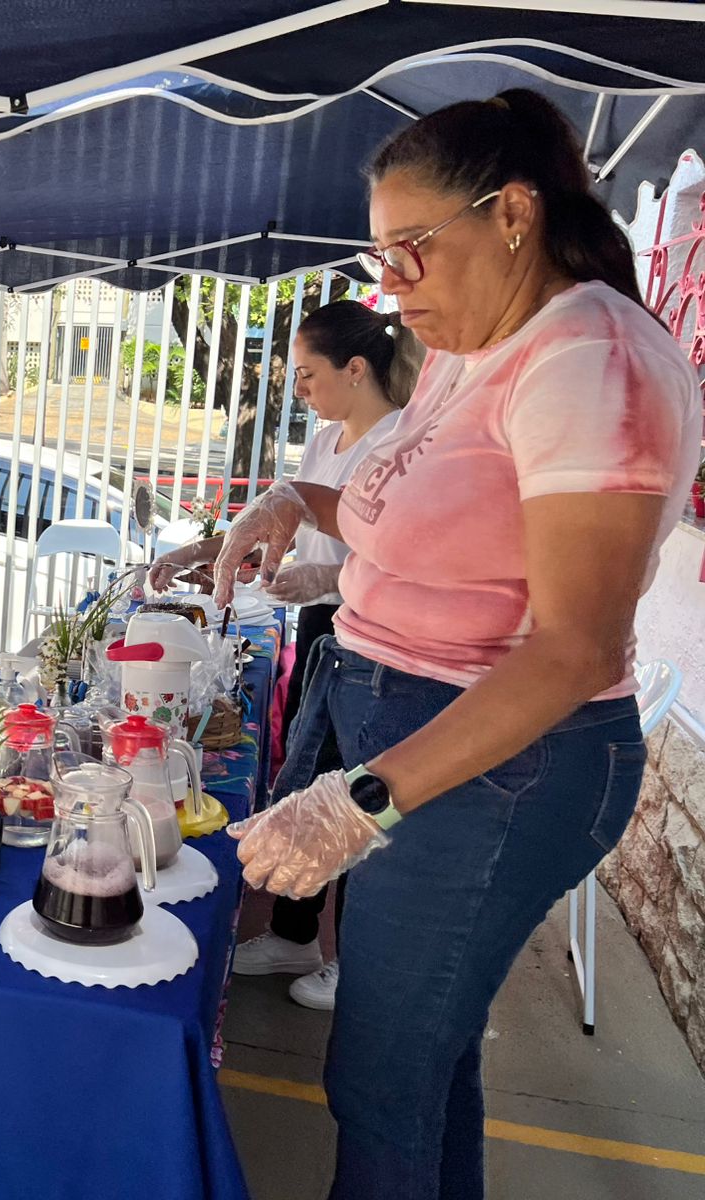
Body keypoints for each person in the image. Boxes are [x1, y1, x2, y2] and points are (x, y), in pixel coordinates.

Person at [209, 90, 697, 1200]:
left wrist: (355, 802)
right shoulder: (472, 349)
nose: (393, 289)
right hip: (422, 735)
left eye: (412, 251)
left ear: (513, 212)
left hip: (498, 763)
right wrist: (293, 499)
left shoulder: (588, 363)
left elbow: (572, 648)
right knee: (424, 1069)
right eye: (381, 256)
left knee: (380, 1083)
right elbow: (416, 517)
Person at [152, 300, 419, 1010]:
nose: (298, 388)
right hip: (324, 630)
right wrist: (210, 551)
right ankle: (298, 933)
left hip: (374, 633)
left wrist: (328, 579)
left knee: (357, 795)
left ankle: (353, 962)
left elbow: (399, 557)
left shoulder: (397, 446)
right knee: (310, 779)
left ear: (355, 368)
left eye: (308, 374)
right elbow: (289, 529)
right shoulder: (328, 443)